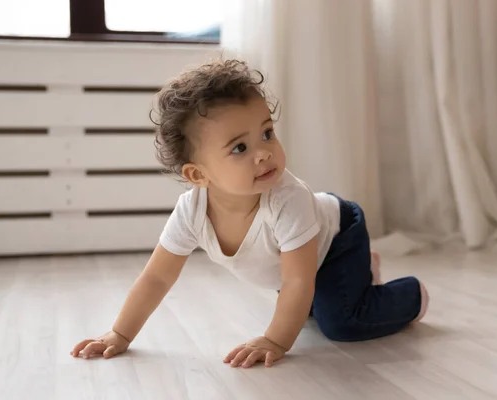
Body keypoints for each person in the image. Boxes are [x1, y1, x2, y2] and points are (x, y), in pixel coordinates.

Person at [70, 59, 429, 369]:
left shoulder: (288, 199)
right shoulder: (192, 211)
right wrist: (120, 333)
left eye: (268, 133)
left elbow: (296, 282)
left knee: (340, 325)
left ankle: (410, 295)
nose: (263, 153)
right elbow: (157, 279)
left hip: (338, 238)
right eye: (240, 147)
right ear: (198, 175)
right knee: (309, 312)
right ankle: (363, 276)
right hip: (300, 259)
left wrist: (274, 341)